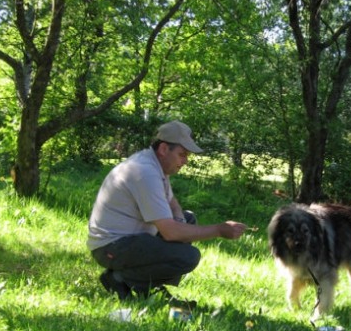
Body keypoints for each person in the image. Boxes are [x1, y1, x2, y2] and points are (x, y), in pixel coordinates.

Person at [87, 120, 247, 300]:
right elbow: (171, 233)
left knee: (188, 220)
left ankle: (148, 284)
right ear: (164, 149)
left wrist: (180, 221)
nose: (185, 161)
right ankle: (120, 279)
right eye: (182, 154)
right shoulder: (145, 172)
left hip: (130, 239)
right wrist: (219, 229)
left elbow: (172, 202)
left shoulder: (155, 166)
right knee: (188, 256)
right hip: (111, 246)